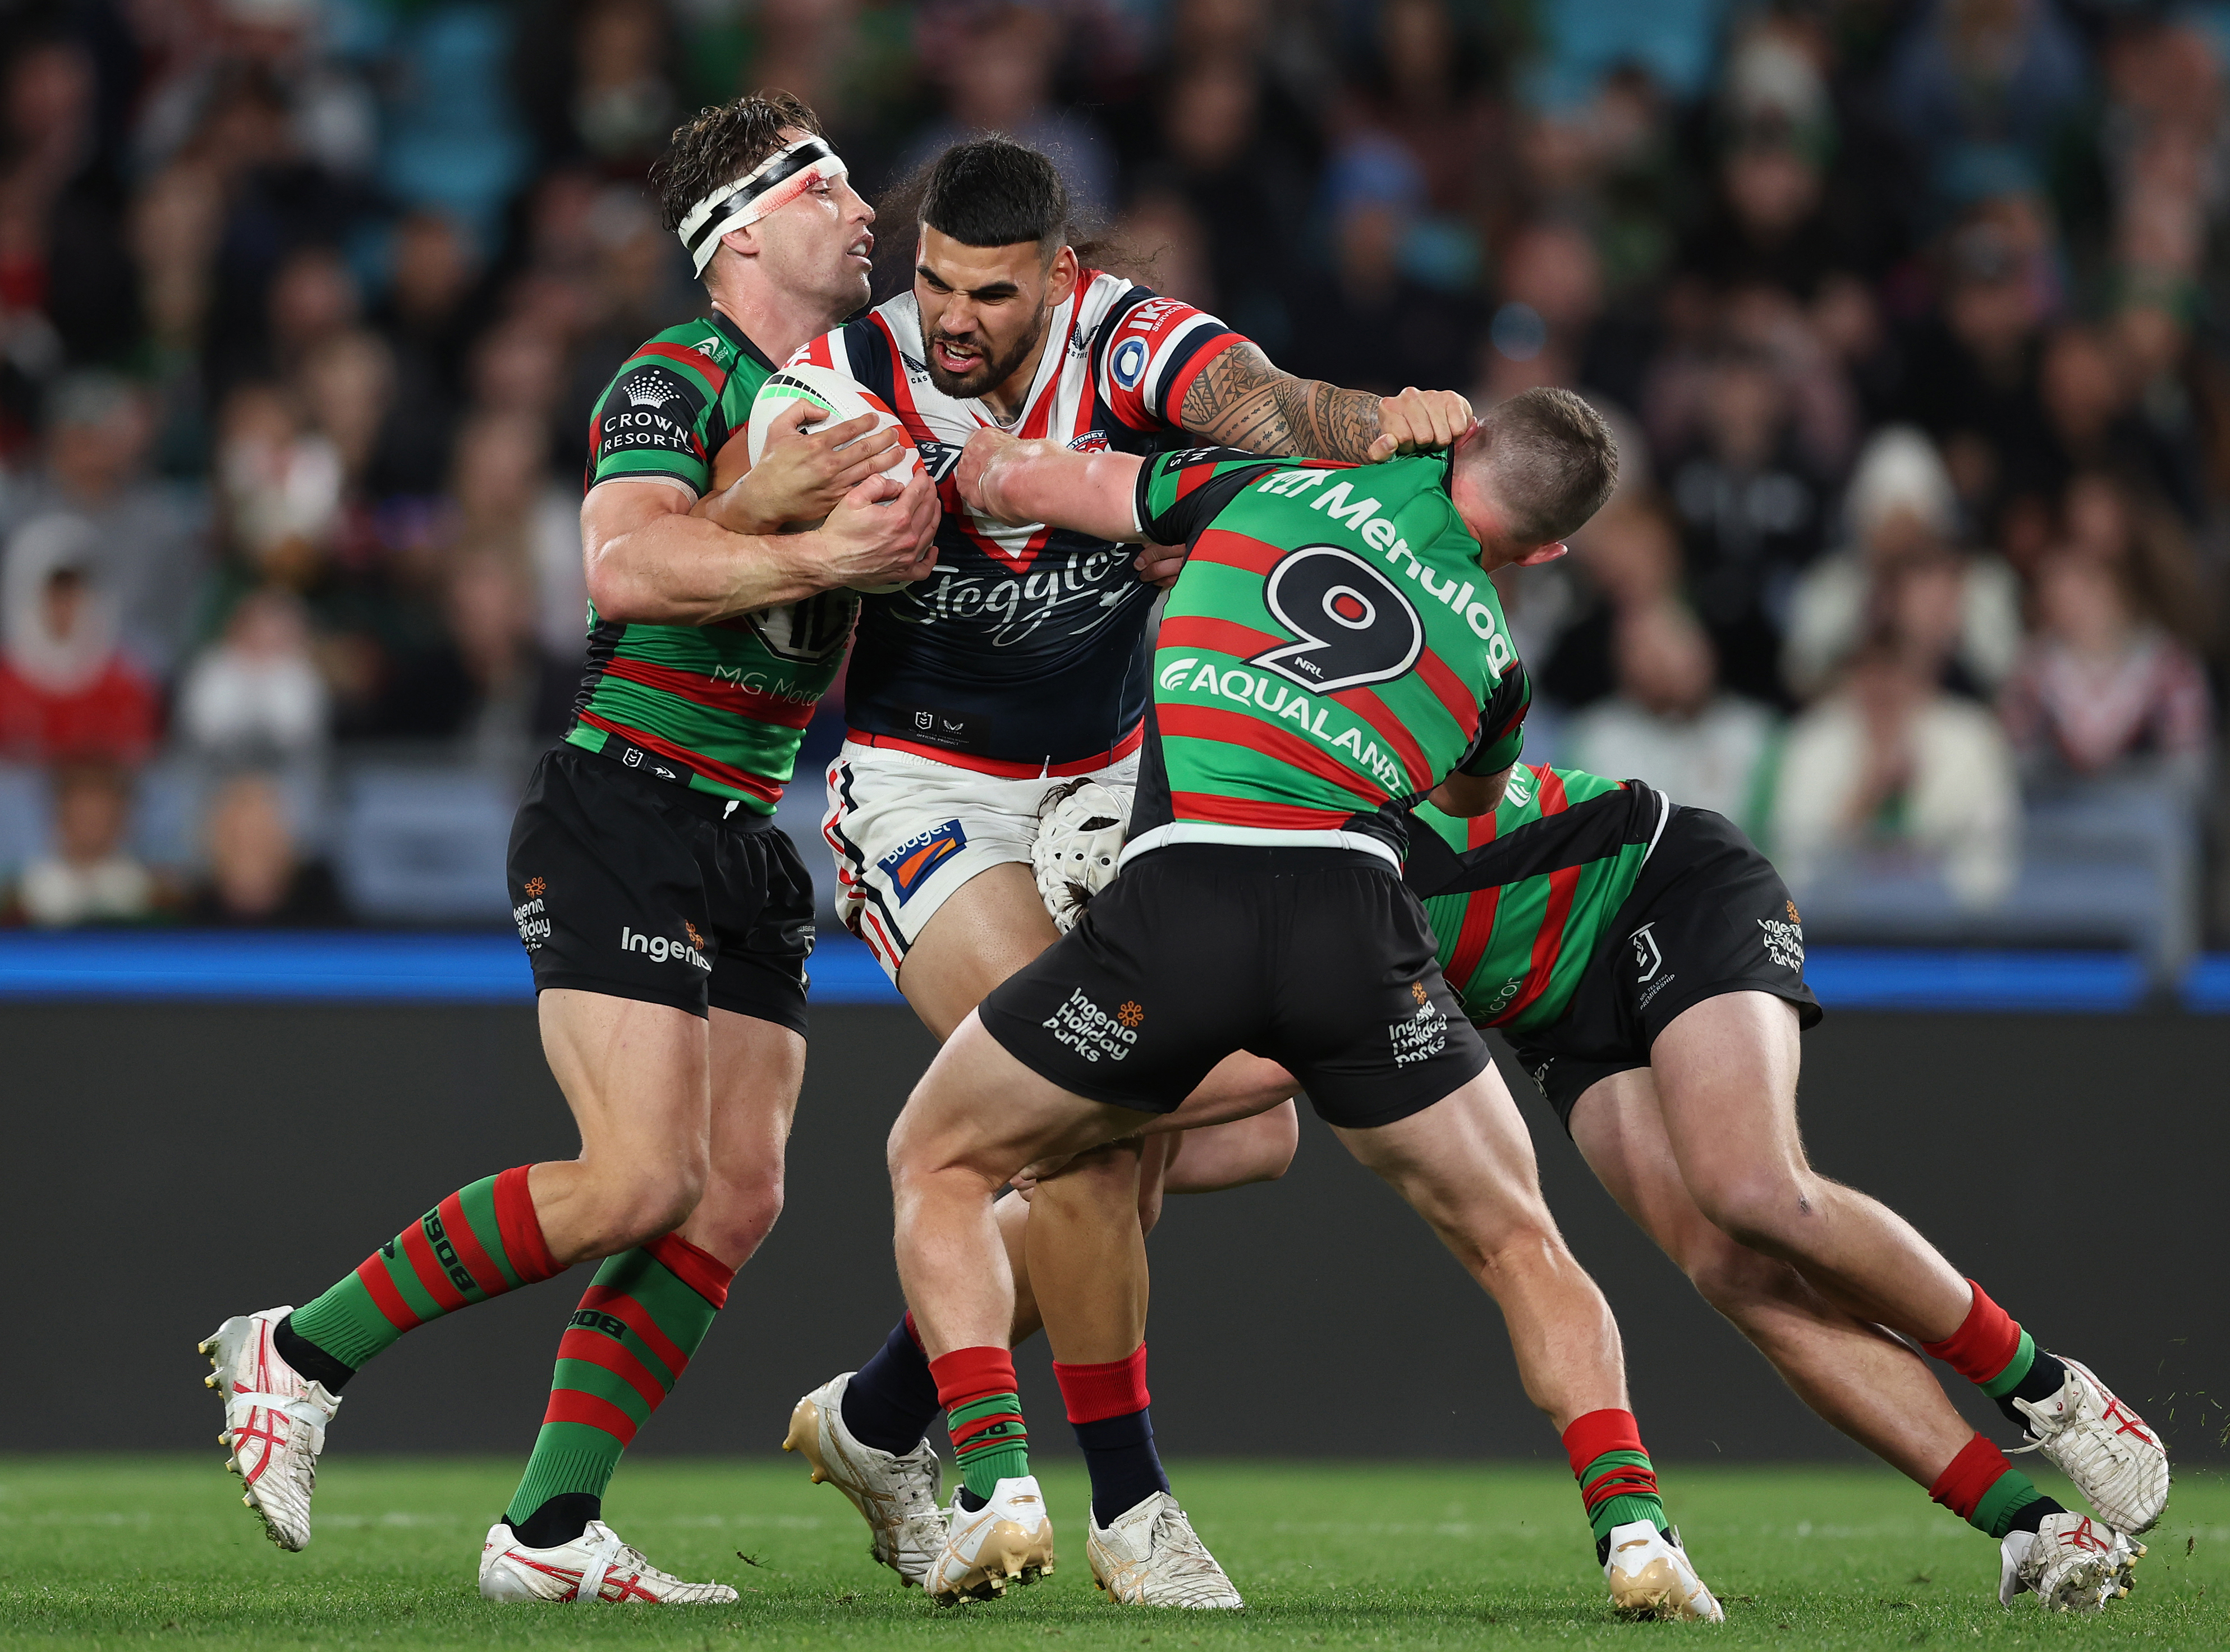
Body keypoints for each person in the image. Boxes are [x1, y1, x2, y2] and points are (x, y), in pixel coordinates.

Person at [198, 90, 940, 1605]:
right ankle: (299, 1347)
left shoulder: (844, 390)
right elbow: (625, 559)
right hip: (628, 799)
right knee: (633, 1182)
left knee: (735, 1197)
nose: (871, 214)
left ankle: (545, 1532)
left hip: (744, 832)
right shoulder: (675, 372)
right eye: (836, 188)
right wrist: (811, 548)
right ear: (748, 224)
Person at [873, 391, 1730, 1622]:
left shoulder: (1254, 483)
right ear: (1545, 551)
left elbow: (1039, 483)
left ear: (1457, 440)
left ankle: (999, 1483)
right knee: (1517, 1237)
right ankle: (1636, 1525)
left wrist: (976, 473)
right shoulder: (1495, 658)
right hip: (1358, 927)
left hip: (1182, 906)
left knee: (940, 1156)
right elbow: (1474, 799)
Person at [782, 134, 1473, 1605]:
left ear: (1060, 278)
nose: (948, 317)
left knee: (1237, 1132)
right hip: (928, 791)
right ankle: (1121, 1507)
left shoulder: (1132, 339)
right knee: (1090, 1111)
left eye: (984, 291)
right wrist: (824, 531)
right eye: (930, 282)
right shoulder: (852, 377)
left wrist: (1381, 420)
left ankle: (878, 1416)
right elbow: (771, 494)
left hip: (1105, 787)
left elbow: (1272, 410)